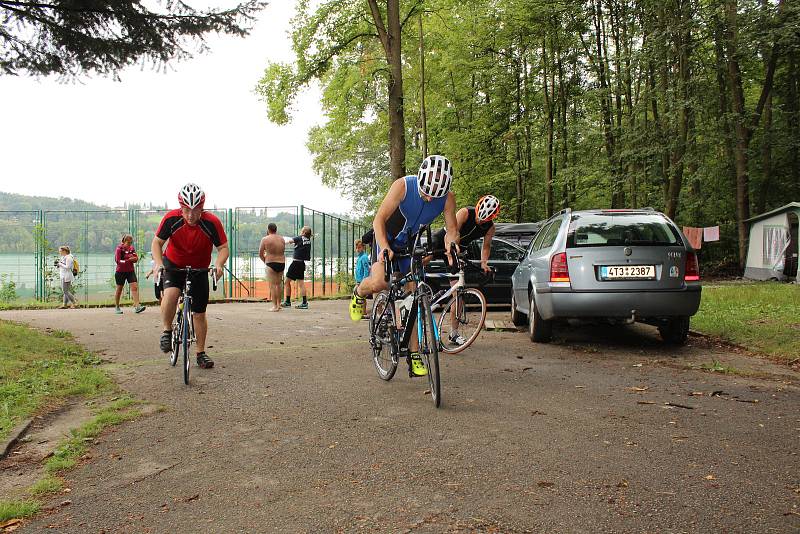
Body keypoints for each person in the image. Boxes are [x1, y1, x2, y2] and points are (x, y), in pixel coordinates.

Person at [349, 155, 459, 376]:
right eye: (426, 193)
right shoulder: (403, 186)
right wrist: (384, 246)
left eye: (434, 196)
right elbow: (378, 220)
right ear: (420, 180)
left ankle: (414, 354)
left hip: (410, 246)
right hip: (387, 241)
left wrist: (451, 246)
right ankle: (359, 292)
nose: (428, 199)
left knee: (413, 298)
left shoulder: (447, 199)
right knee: (380, 281)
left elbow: (451, 230)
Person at [152, 183, 228, 370]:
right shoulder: (171, 219)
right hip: (173, 263)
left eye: (196, 210)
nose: (191, 215)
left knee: (199, 313)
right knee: (171, 294)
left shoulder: (212, 222)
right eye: (186, 209)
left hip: (199, 268)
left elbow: (223, 248)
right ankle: (167, 331)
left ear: (202, 207)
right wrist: (159, 263)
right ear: (181, 207)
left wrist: (218, 264)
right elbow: (157, 243)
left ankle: (200, 353)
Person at [430, 194, 501, 345]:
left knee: (458, 292)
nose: (480, 221)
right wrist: (451, 251)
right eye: (479, 218)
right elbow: (453, 231)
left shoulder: (490, 228)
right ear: (477, 208)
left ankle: (454, 334)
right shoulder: (465, 213)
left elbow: (486, 246)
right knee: (424, 259)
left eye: (484, 220)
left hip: (460, 249)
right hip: (445, 239)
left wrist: (483, 263)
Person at [114, 234, 145, 314]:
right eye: (128, 242)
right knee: (119, 289)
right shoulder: (119, 249)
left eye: (131, 243)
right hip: (120, 272)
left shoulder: (131, 248)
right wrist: (128, 260)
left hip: (130, 271)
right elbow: (118, 261)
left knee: (134, 287)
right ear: (124, 241)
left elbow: (136, 258)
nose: (130, 244)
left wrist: (134, 259)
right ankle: (117, 307)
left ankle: (137, 307)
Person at [282, 226, 312, 309]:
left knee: (286, 282)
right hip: (301, 263)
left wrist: (280, 241)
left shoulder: (299, 238)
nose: (301, 230)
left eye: (302, 229)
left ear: (304, 232)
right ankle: (304, 302)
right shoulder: (308, 240)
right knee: (301, 284)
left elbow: (289, 242)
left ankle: (288, 302)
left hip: (295, 263)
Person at [259, 223, 286, 312]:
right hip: (281, 263)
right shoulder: (281, 239)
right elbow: (283, 250)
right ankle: (279, 304)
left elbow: (260, 253)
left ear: (268, 229)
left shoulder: (265, 239)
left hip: (271, 263)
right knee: (278, 285)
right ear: (276, 229)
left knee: (273, 285)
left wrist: (265, 261)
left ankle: (275, 306)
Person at [354, 239, 370, 318]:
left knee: (362, 296)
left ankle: (364, 312)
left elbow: (366, 269)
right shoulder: (359, 257)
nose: (357, 249)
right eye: (356, 248)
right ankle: (360, 311)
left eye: (359, 247)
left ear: (363, 247)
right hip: (358, 280)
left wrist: (364, 280)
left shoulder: (364, 257)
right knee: (359, 296)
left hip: (362, 281)